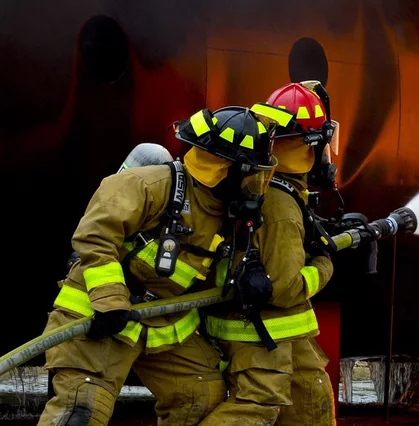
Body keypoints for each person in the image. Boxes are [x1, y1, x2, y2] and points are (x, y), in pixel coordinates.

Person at [38, 105, 280, 426]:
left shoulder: (229, 213)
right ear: (226, 168)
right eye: (252, 174)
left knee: (200, 399)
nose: (256, 186)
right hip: (101, 316)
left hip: (164, 323)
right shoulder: (150, 185)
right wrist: (110, 301)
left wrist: (245, 277)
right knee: (81, 410)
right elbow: (95, 236)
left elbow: (211, 270)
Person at [200, 82, 339, 425]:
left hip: (281, 333)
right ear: (312, 143)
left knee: (312, 399)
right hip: (262, 332)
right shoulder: (281, 204)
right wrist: (324, 263)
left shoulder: (274, 186)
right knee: (256, 408)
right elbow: (287, 288)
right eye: (325, 141)